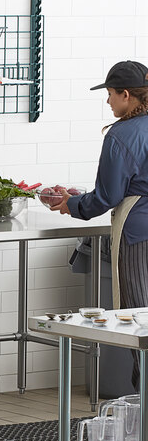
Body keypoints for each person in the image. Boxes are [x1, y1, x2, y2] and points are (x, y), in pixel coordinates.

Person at [51, 60, 148, 390]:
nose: (108, 102)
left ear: (126, 95)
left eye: (109, 95)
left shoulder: (121, 135)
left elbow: (108, 196)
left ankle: (143, 418)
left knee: (140, 320)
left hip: (138, 233)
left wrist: (71, 204)